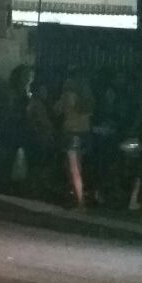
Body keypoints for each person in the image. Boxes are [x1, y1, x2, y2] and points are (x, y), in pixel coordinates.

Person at [55, 69, 94, 208]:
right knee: (80, 167)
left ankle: (80, 201)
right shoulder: (88, 95)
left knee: (73, 168)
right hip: (85, 133)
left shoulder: (68, 93)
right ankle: (79, 196)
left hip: (71, 132)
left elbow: (58, 109)